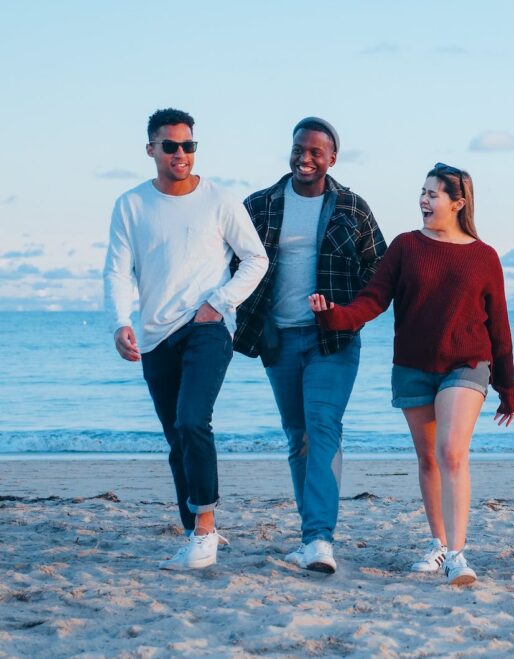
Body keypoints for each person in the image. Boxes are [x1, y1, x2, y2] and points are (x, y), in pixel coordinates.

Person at [310, 163, 514, 586]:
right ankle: (438, 544)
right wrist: (335, 316)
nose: (424, 200)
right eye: (422, 192)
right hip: (413, 367)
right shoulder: (405, 247)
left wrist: (507, 386)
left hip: (467, 363)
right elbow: (372, 301)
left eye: (433, 194)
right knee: (428, 459)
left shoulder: (484, 256)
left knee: (452, 453)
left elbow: (499, 324)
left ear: (458, 202)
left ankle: (458, 555)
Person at [103, 108, 268, 569]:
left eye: (188, 145)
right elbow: (117, 271)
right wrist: (119, 322)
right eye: (171, 145)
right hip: (156, 335)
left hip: (206, 328)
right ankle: (198, 526)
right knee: (177, 436)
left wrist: (219, 302)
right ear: (151, 149)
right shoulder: (130, 205)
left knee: (193, 420)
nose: (181, 154)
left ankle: (205, 532)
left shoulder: (220, 200)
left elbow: (255, 259)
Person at [233, 117, 386, 574]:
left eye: (316, 152)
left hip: (332, 339)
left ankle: (319, 539)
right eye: (299, 149)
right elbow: (228, 262)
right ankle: (310, 534)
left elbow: (378, 271)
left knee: (323, 429)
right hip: (278, 339)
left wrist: (344, 309)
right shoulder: (258, 205)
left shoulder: (352, 208)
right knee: (297, 437)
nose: (305, 157)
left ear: (332, 158)